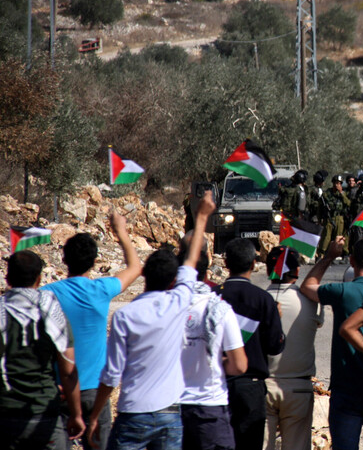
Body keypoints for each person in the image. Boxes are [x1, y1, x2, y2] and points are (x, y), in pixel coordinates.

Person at [86, 191, 215, 449]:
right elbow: (191, 260)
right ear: (173, 281)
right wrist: (201, 217)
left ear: (144, 276)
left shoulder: (124, 315)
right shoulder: (179, 300)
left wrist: (94, 415)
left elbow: (112, 374)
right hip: (170, 414)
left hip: (133, 413)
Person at [43, 213, 142, 450]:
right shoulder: (102, 289)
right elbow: (136, 267)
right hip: (96, 390)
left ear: (64, 260)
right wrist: (121, 232)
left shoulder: (48, 293)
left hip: (60, 387)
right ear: (95, 262)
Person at [300, 237, 363, 450]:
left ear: (352, 261)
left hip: (346, 390)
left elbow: (308, 286)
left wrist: (329, 256)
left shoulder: (342, 292)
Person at [1, 250, 84, 450]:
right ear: (39, 279)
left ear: (8, 278)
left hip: (5, 414)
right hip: (43, 413)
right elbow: (68, 372)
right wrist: (76, 414)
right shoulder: (52, 312)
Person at [177, 230, 248, 450]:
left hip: (170, 406)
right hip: (209, 406)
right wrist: (215, 359)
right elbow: (239, 364)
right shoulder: (219, 306)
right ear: (208, 264)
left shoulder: (165, 303)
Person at [213, 238, 285, 450]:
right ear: (254, 264)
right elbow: (275, 346)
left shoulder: (213, 296)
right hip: (251, 388)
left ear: (226, 264)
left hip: (217, 384)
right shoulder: (264, 299)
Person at [265, 246, 324, 450]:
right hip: (299, 387)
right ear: (297, 271)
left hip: (264, 385)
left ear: (267, 270)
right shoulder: (312, 302)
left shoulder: (259, 300)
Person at [319, 175, 351, 255]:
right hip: (329, 218)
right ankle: (321, 254)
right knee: (326, 237)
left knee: (338, 237)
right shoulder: (327, 193)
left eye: (339, 183)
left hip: (339, 218)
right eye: (336, 183)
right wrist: (320, 218)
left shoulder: (344, 193)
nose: (337, 185)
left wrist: (341, 193)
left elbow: (348, 203)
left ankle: (334, 254)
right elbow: (320, 207)